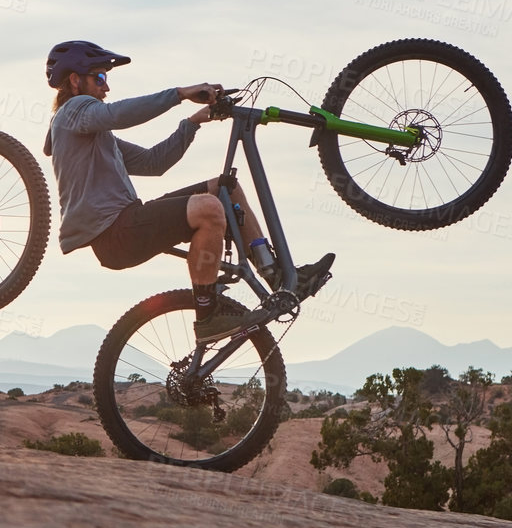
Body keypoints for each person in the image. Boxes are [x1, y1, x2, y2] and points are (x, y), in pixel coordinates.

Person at [42, 40, 332, 341]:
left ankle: (278, 277)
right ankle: (208, 315)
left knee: (224, 190)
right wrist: (180, 94)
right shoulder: (71, 113)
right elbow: (117, 114)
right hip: (115, 233)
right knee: (209, 208)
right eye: (100, 77)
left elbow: (153, 162)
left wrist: (193, 123)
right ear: (75, 81)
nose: (107, 87)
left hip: (128, 221)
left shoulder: (93, 135)